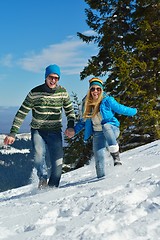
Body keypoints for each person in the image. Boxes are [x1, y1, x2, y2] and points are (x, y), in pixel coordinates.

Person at [4, 64, 75, 189]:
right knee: (38, 153)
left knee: (58, 164)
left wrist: (70, 126)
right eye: (51, 77)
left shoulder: (63, 93)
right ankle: (42, 178)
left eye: (56, 78)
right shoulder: (35, 93)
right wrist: (13, 133)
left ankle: (52, 189)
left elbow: (70, 112)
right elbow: (22, 112)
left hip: (55, 131)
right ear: (46, 77)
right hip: (38, 130)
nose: (53, 80)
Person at [72, 77, 137, 179]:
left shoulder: (107, 101)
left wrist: (134, 111)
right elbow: (83, 122)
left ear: (101, 90)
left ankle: (116, 157)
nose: (95, 91)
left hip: (112, 129)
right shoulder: (86, 104)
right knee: (99, 158)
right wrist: (74, 130)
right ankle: (101, 180)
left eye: (98, 89)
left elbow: (121, 109)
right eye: (93, 89)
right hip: (98, 134)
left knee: (106, 126)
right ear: (90, 91)